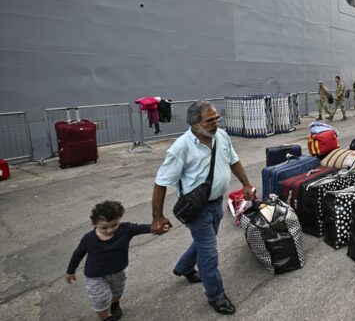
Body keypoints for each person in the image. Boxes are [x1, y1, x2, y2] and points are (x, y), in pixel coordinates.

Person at [152, 100, 256, 315]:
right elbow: (161, 182)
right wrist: (157, 217)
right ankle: (216, 295)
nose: (215, 124)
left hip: (216, 203)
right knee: (209, 252)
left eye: (217, 119)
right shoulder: (181, 147)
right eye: (209, 121)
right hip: (196, 209)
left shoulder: (222, 136)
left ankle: (184, 267)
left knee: (203, 243)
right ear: (193, 123)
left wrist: (245, 184)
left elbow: (233, 161)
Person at [66, 200, 153, 321]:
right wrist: (71, 271)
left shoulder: (126, 229)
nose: (110, 230)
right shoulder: (88, 239)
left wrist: (157, 227)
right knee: (100, 299)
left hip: (119, 271)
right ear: (94, 223)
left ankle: (115, 304)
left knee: (118, 290)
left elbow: (143, 228)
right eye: (104, 227)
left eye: (114, 225)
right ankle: (106, 318)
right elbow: (78, 254)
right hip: (96, 276)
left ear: (119, 219)